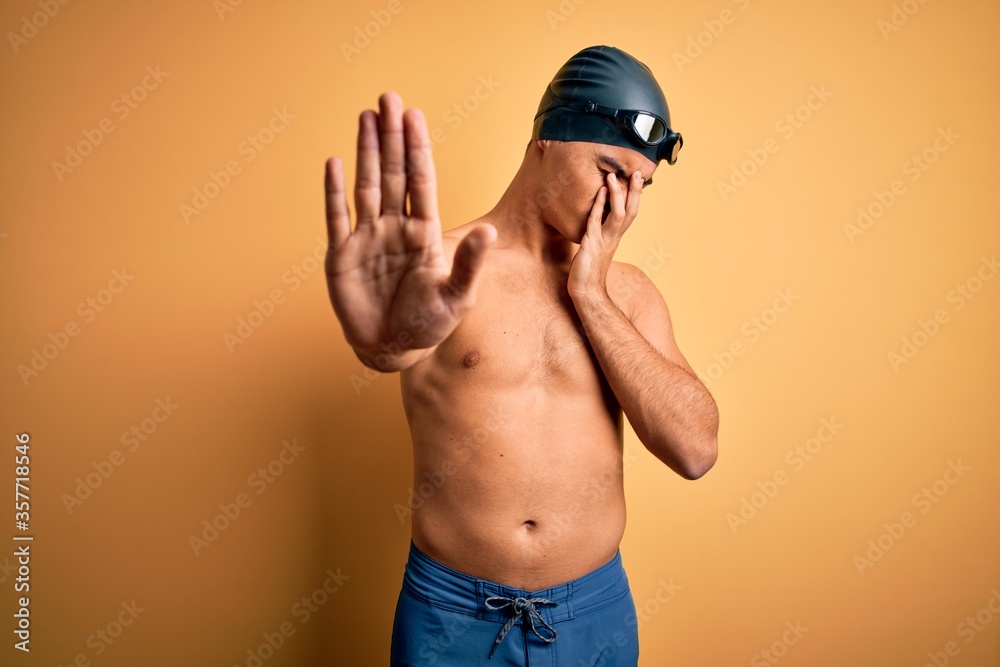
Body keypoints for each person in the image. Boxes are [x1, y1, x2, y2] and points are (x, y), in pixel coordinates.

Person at [323, 45, 718, 666]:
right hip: (452, 617)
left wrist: (590, 290)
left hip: (594, 614)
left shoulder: (629, 294)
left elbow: (695, 450)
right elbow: (392, 351)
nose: (622, 204)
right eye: (610, 170)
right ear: (547, 140)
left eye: (642, 185)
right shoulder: (447, 268)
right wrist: (381, 339)